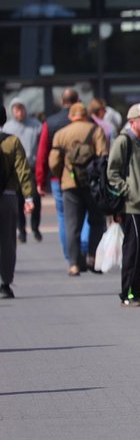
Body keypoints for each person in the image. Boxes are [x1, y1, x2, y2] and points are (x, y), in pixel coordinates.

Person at [107, 103, 140, 307]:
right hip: (132, 205)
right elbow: (112, 172)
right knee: (134, 249)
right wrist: (128, 191)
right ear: (132, 122)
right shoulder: (124, 141)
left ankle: (136, 289)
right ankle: (127, 292)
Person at [48, 103, 108, 276]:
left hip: (70, 183)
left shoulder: (61, 134)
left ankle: (74, 263)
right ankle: (92, 257)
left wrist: (61, 175)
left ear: (71, 116)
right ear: (85, 115)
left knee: (72, 225)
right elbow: (103, 155)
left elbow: (53, 161)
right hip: (92, 183)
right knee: (96, 221)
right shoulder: (96, 131)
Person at [35, 88, 80, 260]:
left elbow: (42, 153)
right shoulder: (86, 121)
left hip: (58, 176)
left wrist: (40, 180)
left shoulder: (51, 122)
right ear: (78, 101)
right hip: (83, 176)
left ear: (62, 102)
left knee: (63, 216)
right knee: (84, 213)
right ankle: (82, 248)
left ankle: (70, 255)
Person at [0, 105, 36, 299]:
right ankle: (4, 283)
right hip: (7, 197)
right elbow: (24, 170)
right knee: (7, 241)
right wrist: (28, 196)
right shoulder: (12, 141)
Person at [3, 98, 42, 242]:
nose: (19, 112)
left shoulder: (36, 125)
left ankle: (35, 227)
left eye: (21, 109)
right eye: (16, 109)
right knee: (18, 201)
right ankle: (22, 230)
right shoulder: (7, 128)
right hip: (13, 171)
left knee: (35, 199)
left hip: (31, 167)